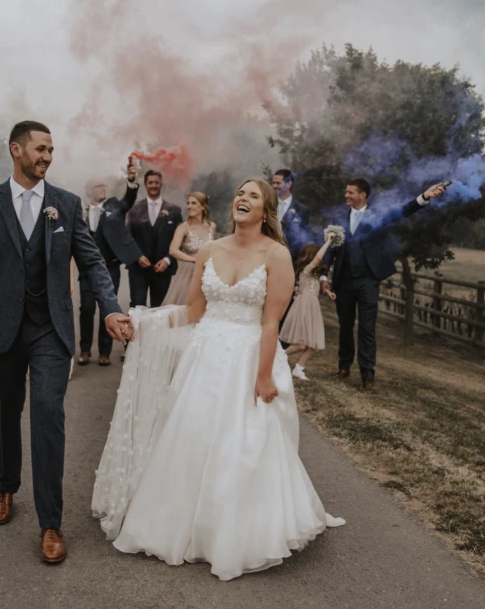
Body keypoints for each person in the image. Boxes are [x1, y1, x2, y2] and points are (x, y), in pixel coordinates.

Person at [93, 178, 344, 581]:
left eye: (253, 195)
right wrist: (146, 323)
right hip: (204, 357)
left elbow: (270, 323)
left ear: (266, 210)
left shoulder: (276, 255)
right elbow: (193, 311)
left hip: (248, 357)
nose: (243, 198)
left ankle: (230, 532)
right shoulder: (210, 249)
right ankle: (176, 522)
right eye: (240, 193)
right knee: (190, 436)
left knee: (240, 444)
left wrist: (263, 376)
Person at [0, 120, 133, 565]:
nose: (47, 157)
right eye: (40, 149)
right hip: (1, 329)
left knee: (48, 414)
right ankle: (5, 487)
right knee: (5, 410)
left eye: (51, 150)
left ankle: (51, 524)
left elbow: (92, 264)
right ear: (16, 150)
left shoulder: (66, 205)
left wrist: (110, 308)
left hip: (51, 329)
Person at [319, 178, 447, 391]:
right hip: (343, 281)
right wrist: (324, 276)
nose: (346, 195)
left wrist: (424, 197)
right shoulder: (338, 219)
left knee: (368, 328)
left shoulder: (377, 215)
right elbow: (330, 248)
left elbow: (403, 210)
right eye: (346, 192)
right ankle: (343, 367)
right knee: (345, 327)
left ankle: (367, 375)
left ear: (363, 195)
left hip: (368, 279)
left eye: (350, 192)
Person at [77, 158, 142, 366]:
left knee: (109, 307)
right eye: (98, 186)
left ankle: (105, 352)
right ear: (89, 191)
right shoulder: (81, 210)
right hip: (87, 270)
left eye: (104, 185)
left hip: (110, 267)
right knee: (86, 309)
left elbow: (128, 201)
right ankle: (85, 350)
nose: (103, 188)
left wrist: (131, 182)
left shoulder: (114, 205)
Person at [280, 235, 337, 381]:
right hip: (304, 306)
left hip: (313, 306)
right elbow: (318, 259)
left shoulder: (315, 275)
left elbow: (317, 287)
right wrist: (328, 242)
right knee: (300, 345)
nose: (320, 259)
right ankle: (279, 357)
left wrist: (329, 293)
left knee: (312, 344)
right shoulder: (306, 270)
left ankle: (299, 368)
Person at [125, 169, 183, 309]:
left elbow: (180, 240)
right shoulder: (134, 209)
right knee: (137, 306)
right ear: (145, 184)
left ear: (161, 184)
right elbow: (127, 237)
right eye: (150, 182)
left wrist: (167, 260)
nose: (154, 185)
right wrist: (137, 256)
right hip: (138, 269)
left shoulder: (174, 211)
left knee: (160, 308)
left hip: (163, 269)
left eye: (156, 182)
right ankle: (137, 332)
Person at [162, 191, 215, 306]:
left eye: (193, 203)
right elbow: (173, 250)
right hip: (188, 273)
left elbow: (213, 249)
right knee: (186, 307)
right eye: (188, 203)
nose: (189, 206)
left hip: (207, 273)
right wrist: (194, 260)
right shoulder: (183, 228)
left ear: (203, 206)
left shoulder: (212, 227)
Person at [273, 169, 312, 262]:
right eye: (273, 183)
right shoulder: (267, 206)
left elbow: (304, 238)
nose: (274, 186)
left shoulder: (302, 210)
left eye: (278, 183)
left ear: (289, 184)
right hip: (268, 258)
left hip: (291, 261)